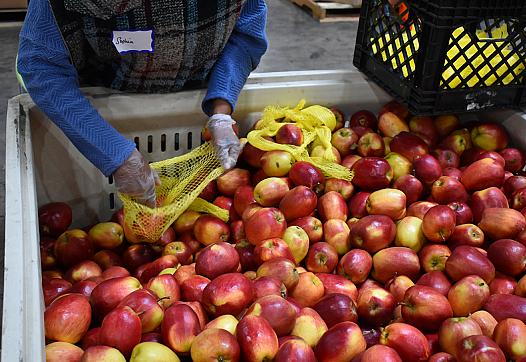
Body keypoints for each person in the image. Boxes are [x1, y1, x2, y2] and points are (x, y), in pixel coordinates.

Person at [17, 0, 268, 207]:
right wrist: (111, 151)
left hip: (196, 92)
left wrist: (221, 107)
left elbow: (246, 35)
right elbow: (42, 67)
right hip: (99, 104)